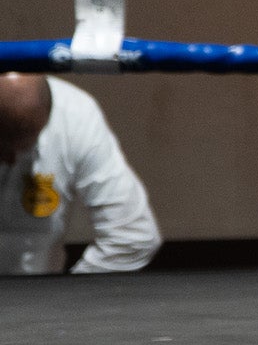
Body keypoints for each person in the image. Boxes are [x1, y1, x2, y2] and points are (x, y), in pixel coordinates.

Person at [0, 73, 160, 276]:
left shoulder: (74, 115)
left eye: (23, 145)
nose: (11, 161)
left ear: (47, 118)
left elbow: (132, 236)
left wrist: (67, 292)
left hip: (39, 287)